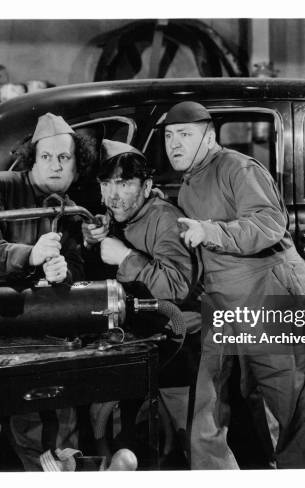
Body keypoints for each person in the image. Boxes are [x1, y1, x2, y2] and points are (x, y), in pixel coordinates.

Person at [159, 101, 305, 469]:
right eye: (169, 136)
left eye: (185, 135)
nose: (174, 143)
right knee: (238, 402)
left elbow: (270, 222)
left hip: (270, 292)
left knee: (295, 405)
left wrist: (211, 230)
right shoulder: (189, 186)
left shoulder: (237, 167)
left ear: (208, 137)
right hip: (229, 302)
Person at [0, 112, 97, 470]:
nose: (55, 165)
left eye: (64, 157)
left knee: (53, 396)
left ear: (77, 163)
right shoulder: (0, 187)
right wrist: (31, 254)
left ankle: (59, 463)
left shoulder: (68, 205)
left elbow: (75, 267)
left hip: (29, 319)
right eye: (46, 157)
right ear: (32, 158)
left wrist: (63, 272)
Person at [82, 139, 202, 461]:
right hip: (140, 341)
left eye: (123, 183)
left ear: (147, 185)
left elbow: (177, 288)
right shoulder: (120, 215)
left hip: (178, 343)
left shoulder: (165, 220)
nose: (112, 195)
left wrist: (126, 257)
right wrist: (91, 239)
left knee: (193, 443)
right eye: (105, 184)